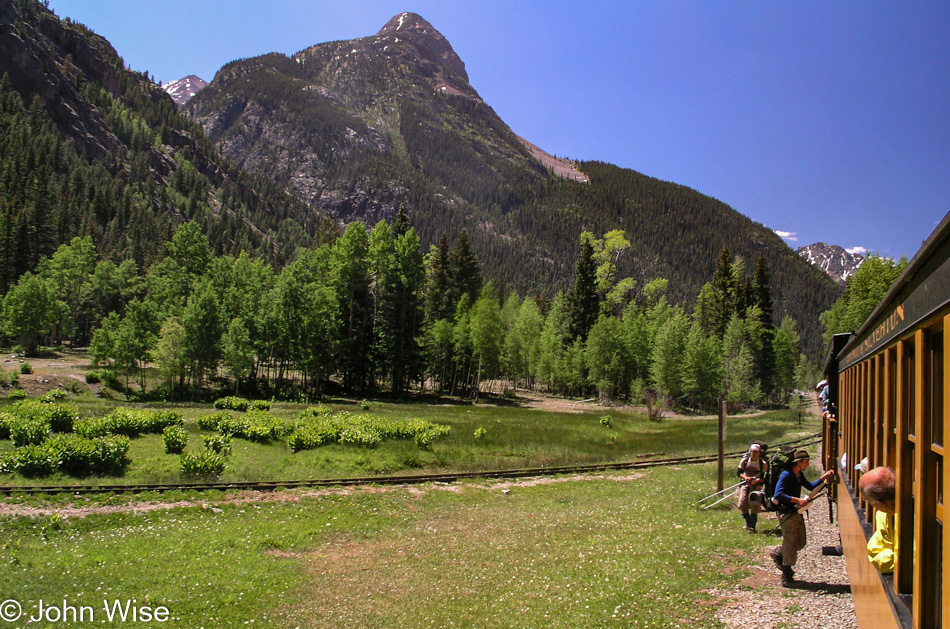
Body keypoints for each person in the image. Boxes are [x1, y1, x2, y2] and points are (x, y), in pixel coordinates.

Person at [768, 449, 834, 586]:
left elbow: (809, 486)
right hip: (787, 512)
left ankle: (779, 552)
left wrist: (824, 478)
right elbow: (778, 494)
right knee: (791, 543)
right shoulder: (786, 475)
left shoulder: (798, 474)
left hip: (795, 512)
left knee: (800, 542)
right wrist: (797, 500)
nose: (808, 464)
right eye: (806, 462)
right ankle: (787, 577)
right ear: (798, 462)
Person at [858, 466, 897, 573]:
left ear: (878, 503)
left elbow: (881, 559)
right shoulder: (883, 515)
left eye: (867, 500)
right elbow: (875, 551)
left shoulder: (917, 519)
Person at [736, 443, 768, 532]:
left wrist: (758, 481)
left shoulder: (763, 464)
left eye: (756, 452)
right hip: (745, 484)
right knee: (741, 504)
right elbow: (739, 473)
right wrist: (746, 478)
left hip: (756, 486)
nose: (754, 453)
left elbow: (764, 477)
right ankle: (748, 521)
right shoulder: (744, 461)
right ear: (750, 452)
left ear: (759, 453)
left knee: (754, 505)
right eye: (752, 451)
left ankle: (752, 526)